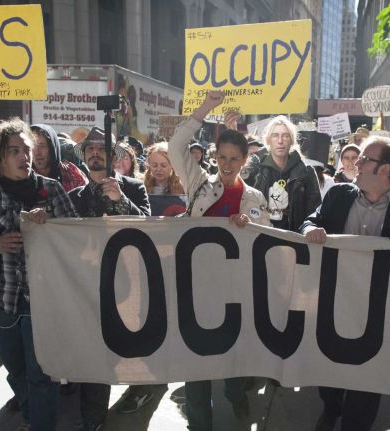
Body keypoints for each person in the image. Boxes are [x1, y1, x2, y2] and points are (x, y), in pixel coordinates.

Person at [301, 135, 390, 431]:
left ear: (385, 170)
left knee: (368, 378)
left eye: (365, 159)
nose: (357, 163)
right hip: (335, 301)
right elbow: (311, 220)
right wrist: (312, 227)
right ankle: (331, 406)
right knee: (330, 369)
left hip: (382, 311)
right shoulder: (339, 194)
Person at [0, 118, 78, 431]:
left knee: (42, 376)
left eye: (27, 149)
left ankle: (40, 426)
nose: (25, 156)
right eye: (15, 151)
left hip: (45, 302)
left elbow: (79, 242)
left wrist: (51, 222)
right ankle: (32, 418)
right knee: (17, 373)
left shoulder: (50, 190)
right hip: (2, 302)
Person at [169, 90, 269, 431]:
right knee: (195, 363)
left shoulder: (254, 197)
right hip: (194, 288)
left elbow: (265, 244)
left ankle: (236, 393)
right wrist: (206, 108)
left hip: (234, 293)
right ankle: (199, 424)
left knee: (232, 360)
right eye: (222, 158)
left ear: (244, 161)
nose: (227, 165)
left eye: (234, 159)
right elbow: (174, 146)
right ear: (215, 156)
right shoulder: (198, 184)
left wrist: (248, 228)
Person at [68, 127, 150, 430]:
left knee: (133, 352)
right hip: (89, 287)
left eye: (100, 149)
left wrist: (121, 201)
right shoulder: (76, 196)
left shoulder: (133, 187)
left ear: (112, 155)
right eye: (88, 150)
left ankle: (141, 392)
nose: (94, 154)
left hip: (129, 286)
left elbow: (148, 227)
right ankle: (93, 420)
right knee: (94, 358)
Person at [242, 115, 321, 232]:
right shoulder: (254, 170)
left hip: (295, 238)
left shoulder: (306, 171)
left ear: (292, 140)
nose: (280, 141)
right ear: (268, 140)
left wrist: (309, 228)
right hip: (260, 235)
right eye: (275, 135)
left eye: (285, 136)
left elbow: (315, 211)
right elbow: (241, 201)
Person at [30, 123, 88, 192]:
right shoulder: (24, 176)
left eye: (42, 146)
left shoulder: (72, 174)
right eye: (32, 146)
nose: (37, 152)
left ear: (52, 148)